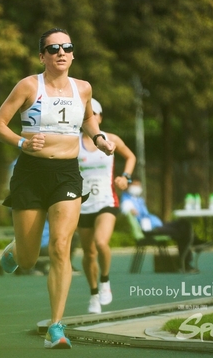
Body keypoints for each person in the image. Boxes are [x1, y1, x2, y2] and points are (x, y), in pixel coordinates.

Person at [0, 27, 115, 349]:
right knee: (30, 259)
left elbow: (88, 120)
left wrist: (99, 138)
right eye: (53, 48)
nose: (61, 52)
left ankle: (56, 327)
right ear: (42, 56)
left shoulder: (83, 88)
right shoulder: (29, 86)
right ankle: (16, 250)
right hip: (31, 172)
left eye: (67, 47)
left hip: (67, 175)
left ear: (73, 54)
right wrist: (21, 142)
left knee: (61, 245)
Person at [77, 98, 136, 314]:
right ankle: (93, 295)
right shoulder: (74, 143)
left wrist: (125, 177)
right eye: (87, 115)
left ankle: (105, 281)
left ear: (100, 117)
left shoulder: (111, 139)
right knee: (88, 253)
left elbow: (130, 156)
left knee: (101, 243)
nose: (91, 118)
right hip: (82, 206)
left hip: (106, 202)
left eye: (95, 114)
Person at [120, 178, 203, 272]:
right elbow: (127, 209)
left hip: (157, 224)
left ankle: (195, 243)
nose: (137, 187)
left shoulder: (138, 199)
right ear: (128, 186)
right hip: (150, 229)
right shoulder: (126, 200)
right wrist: (132, 210)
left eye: (139, 185)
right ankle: (186, 263)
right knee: (182, 232)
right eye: (135, 185)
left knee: (184, 223)